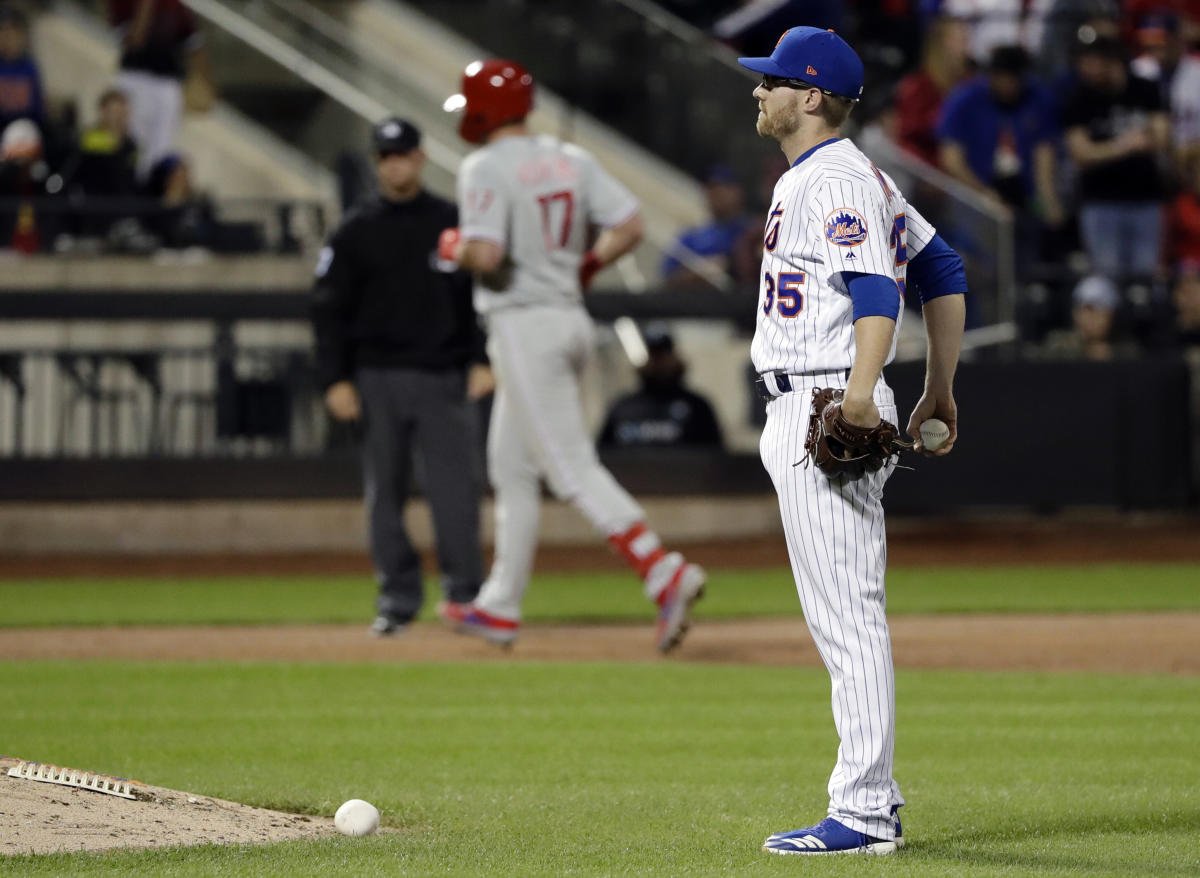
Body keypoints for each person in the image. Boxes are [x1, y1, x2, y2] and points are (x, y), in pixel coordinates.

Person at [738, 27, 967, 854]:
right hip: (820, 395)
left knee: (848, 616)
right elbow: (942, 269)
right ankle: (868, 803)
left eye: (769, 82)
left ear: (809, 96)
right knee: (847, 612)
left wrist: (866, 393)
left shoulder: (832, 178)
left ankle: (865, 813)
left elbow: (881, 293)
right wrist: (939, 387)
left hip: (824, 399)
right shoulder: (849, 175)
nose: (756, 92)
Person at [437, 59, 706, 652]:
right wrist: (584, 265)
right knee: (510, 466)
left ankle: (664, 571)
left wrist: (453, 244)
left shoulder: (483, 165)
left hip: (523, 326)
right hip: (567, 318)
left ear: (484, 110)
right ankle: (501, 605)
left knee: (570, 468)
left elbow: (485, 254)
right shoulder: (570, 159)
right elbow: (630, 225)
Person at [311, 117, 490, 636]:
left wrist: (481, 357)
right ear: (376, 163)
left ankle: (464, 597)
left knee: (456, 493)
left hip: (443, 375)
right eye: (387, 156)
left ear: (420, 157)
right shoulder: (353, 229)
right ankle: (398, 598)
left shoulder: (451, 223)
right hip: (376, 377)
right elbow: (326, 310)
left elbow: (478, 299)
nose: (396, 163)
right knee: (384, 494)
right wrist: (334, 379)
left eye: (404, 154)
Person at [1063, 34, 1169, 284]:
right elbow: (1080, 153)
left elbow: (1162, 136)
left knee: (1145, 279)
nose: (1084, 68)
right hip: (1100, 201)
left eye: (1091, 61)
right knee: (1106, 279)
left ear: (1111, 61)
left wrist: (1103, 150)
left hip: (1145, 199)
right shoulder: (1079, 98)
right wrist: (1124, 145)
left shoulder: (1145, 88)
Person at [937, 44, 1064, 227]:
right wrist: (983, 193)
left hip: (1023, 197)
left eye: (1013, 78)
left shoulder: (1038, 99)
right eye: (1001, 77)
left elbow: (1044, 152)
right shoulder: (965, 99)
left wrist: (1048, 197)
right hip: (975, 199)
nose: (1007, 85)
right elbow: (951, 159)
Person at [108, 0, 215, 180]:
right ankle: (128, 186)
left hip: (168, 82)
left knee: (161, 147)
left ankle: (152, 192)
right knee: (132, 142)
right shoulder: (122, 3)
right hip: (136, 78)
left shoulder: (176, 5)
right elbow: (134, 42)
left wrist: (209, 84)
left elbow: (193, 45)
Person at [597, 326, 723, 449]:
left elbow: (715, 457)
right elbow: (602, 453)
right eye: (654, 355)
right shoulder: (623, 408)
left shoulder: (697, 408)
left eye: (664, 354)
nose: (659, 362)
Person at [893, 15, 973, 167]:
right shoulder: (917, 87)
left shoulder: (971, 84)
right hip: (928, 175)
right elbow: (906, 140)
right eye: (959, 41)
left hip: (965, 172)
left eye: (967, 41)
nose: (966, 48)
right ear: (939, 45)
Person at [661, 164, 759, 288]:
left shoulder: (751, 233)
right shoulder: (691, 236)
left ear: (737, 192)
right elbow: (667, 277)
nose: (714, 193)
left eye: (721, 187)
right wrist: (698, 273)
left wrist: (728, 264)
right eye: (710, 187)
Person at [0, 6, 45, 139]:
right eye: (3, 32)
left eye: (12, 32)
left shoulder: (29, 67)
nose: (8, 38)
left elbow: (38, 110)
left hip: (25, 129)